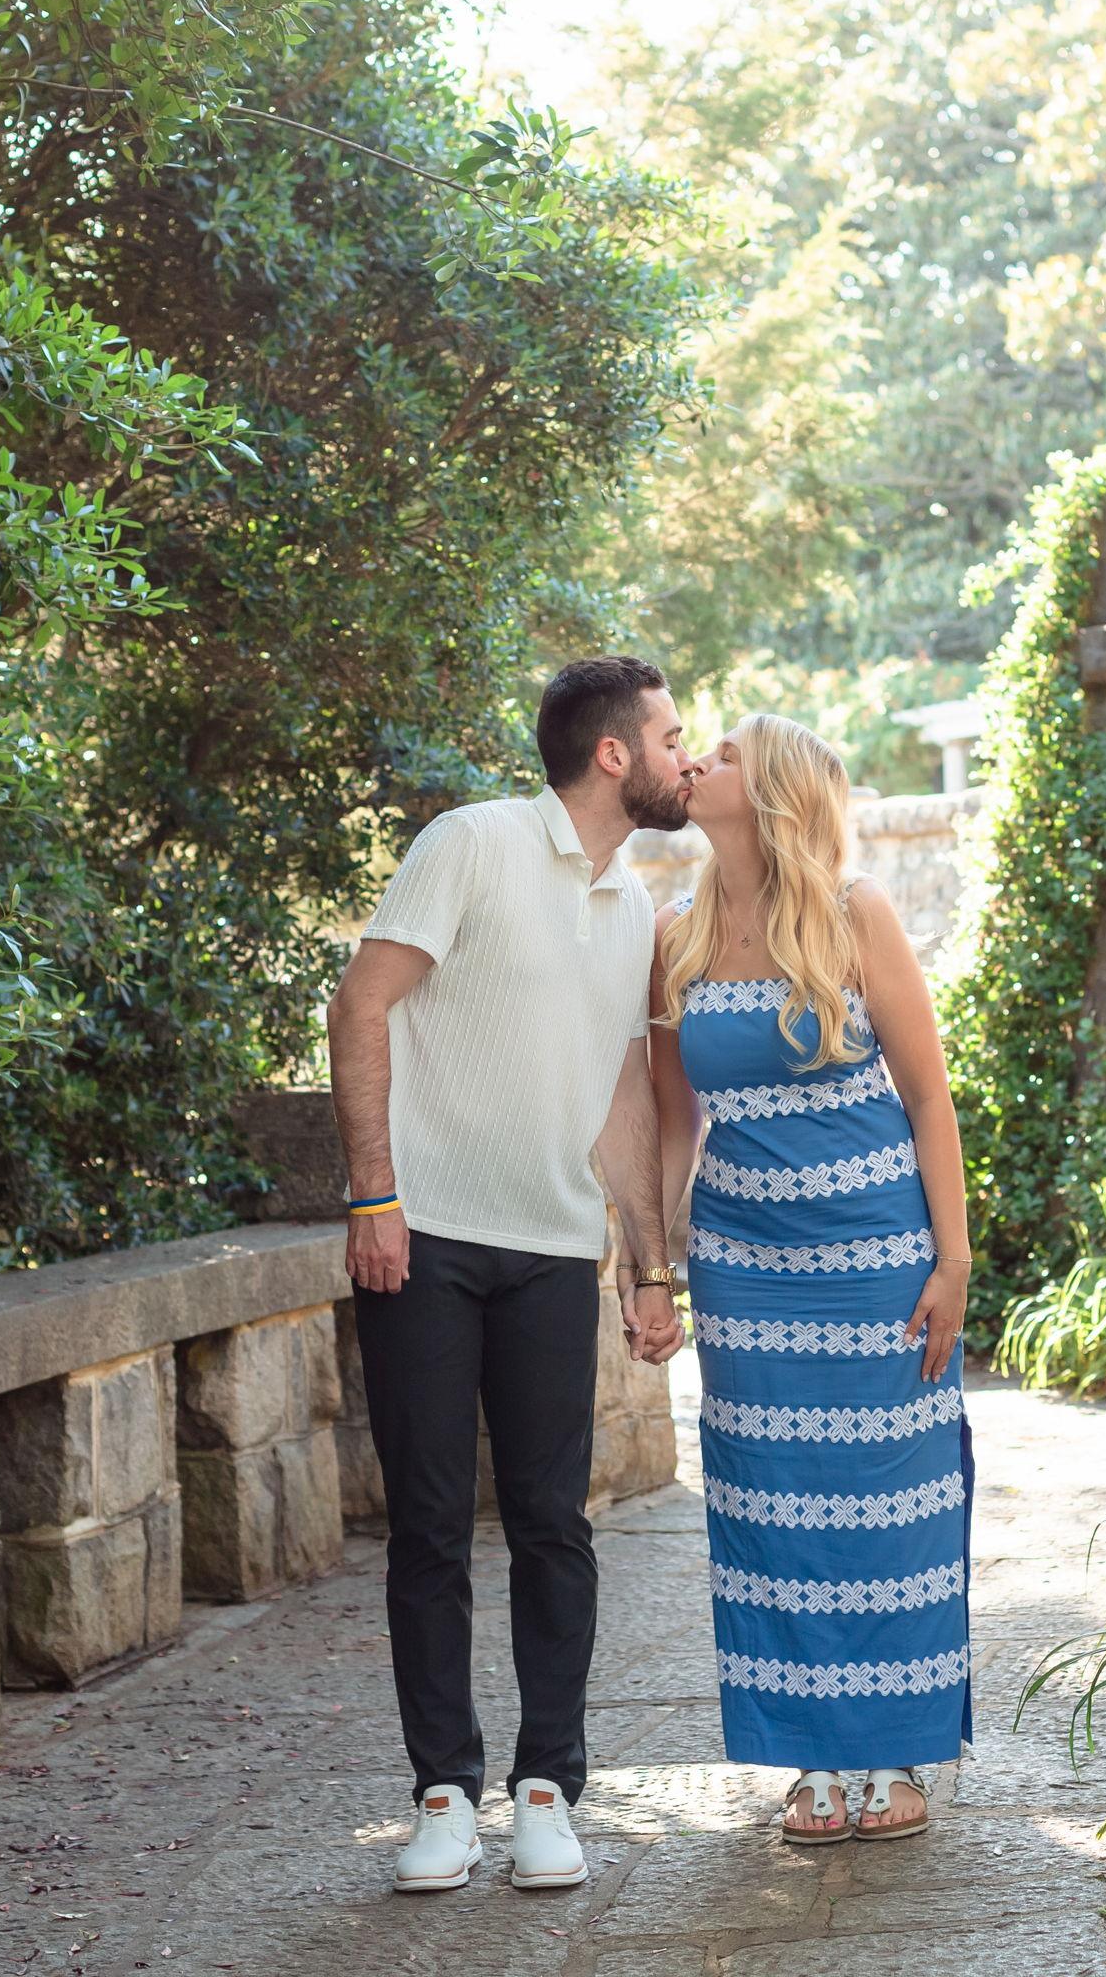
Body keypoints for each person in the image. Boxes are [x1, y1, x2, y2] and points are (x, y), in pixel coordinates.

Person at [326, 656, 693, 1894]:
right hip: (421, 1237)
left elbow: (623, 1094)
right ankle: (441, 1794)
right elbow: (360, 1004)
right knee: (428, 1524)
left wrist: (649, 1264)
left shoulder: (633, 906)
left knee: (553, 1524)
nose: (685, 757)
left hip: (551, 1251)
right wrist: (373, 1193)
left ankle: (546, 1790)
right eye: (671, 736)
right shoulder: (471, 843)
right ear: (611, 753)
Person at [641, 713, 974, 1844]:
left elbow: (928, 1097)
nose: (699, 760)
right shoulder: (674, 934)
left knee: (890, 1503)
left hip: (876, 1258)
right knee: (768, 1504)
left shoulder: (852, 911)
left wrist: (952, 1261)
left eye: (726, 752)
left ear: (774, 789)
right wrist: (653, 1264)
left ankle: (894, 1747)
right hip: (743, 1269)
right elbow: (674, 1120)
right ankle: (811, 1759)